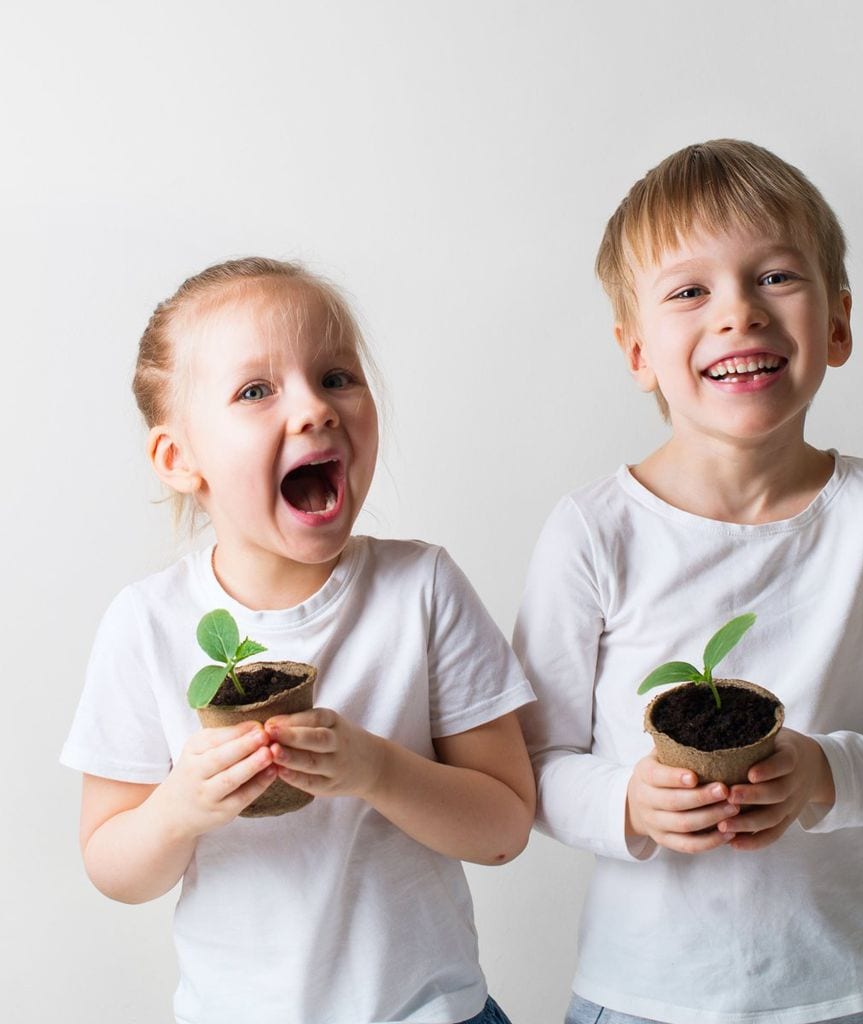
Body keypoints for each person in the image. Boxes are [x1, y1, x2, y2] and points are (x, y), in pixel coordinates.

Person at [512, 139, 863, 1024]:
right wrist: (627, 799)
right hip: (638, 998)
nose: (739, 313)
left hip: (846, 992)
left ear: (838, 324)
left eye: (775, 277)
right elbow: (530, 767)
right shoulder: (592, 531)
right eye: (690, 290)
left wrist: (823, 773)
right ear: (637, 353)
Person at [61, 257, 535, 1024]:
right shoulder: (145, 625)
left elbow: (506, 827)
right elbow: (113, 866)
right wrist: (180, 807)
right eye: (256, 390)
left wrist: (376, 768)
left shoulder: (423, 589)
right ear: (179, 458)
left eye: (337, 375)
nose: (315, 409)